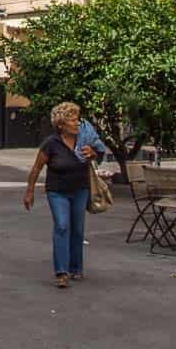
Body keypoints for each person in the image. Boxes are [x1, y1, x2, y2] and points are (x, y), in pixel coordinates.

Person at [23, 101, 108, 289]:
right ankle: (61, 272)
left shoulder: (84, 141)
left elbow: (98, 156)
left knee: (77, 229)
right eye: (72, 120)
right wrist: (29, 192)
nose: (77, 123)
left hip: (80, 189)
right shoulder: (51, 144)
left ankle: (76, 267)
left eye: (77, 119)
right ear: (61, 124)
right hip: (57, 191)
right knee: (62, 226)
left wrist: (93, 154)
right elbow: (37, 168)